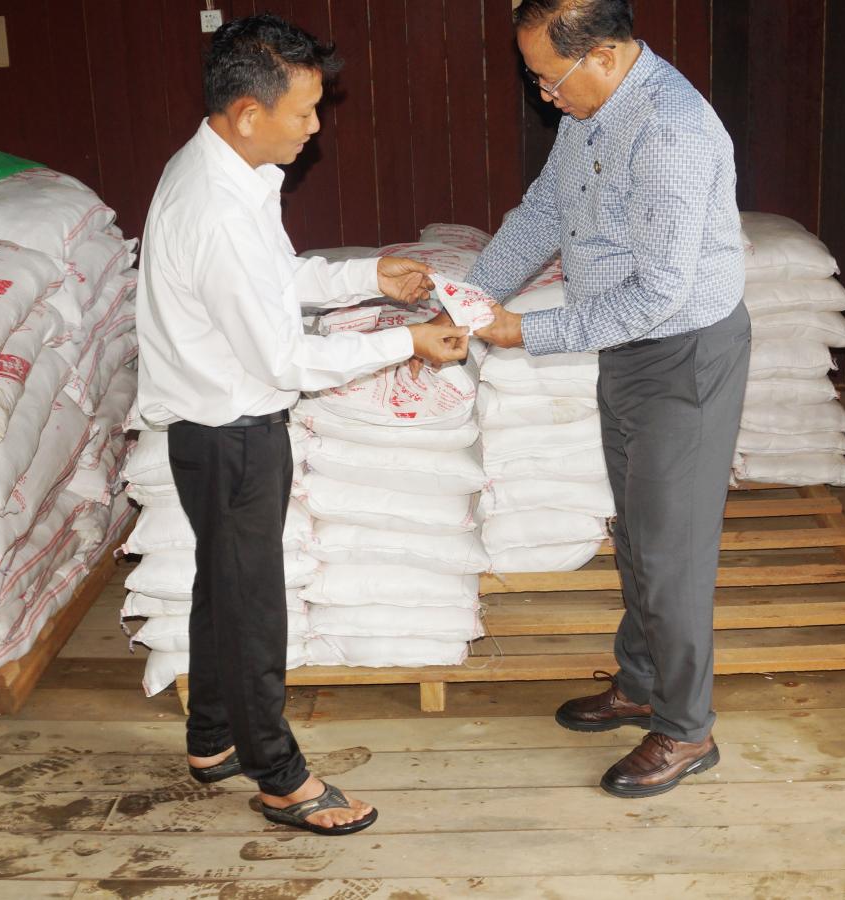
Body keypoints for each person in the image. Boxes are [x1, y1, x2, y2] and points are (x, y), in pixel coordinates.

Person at [134, 14, 468, 836]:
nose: (316, 126)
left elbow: (274, 281)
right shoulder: (215, 208)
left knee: (224, 584)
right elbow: (285, 359)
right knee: (252, 604)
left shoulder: (225, 168)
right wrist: (408, 343)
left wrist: (368, 277)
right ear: (250, 113)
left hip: (217, 430)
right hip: (231, 432)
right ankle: (280, 777)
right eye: (306, 111)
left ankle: (212, 739)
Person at [471, 0, 750, 798]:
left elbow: (661, 293)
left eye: (547, 78)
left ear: (602, 55)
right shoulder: (589, 114)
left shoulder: (670, 131)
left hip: (682, 354)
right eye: (535, 79)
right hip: (628, 346)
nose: (543, 95)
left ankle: (687, 730)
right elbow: (545, 212)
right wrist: (474, 295)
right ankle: (641, 683)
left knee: (671, 552)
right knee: (638, 532)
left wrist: (526, 331)